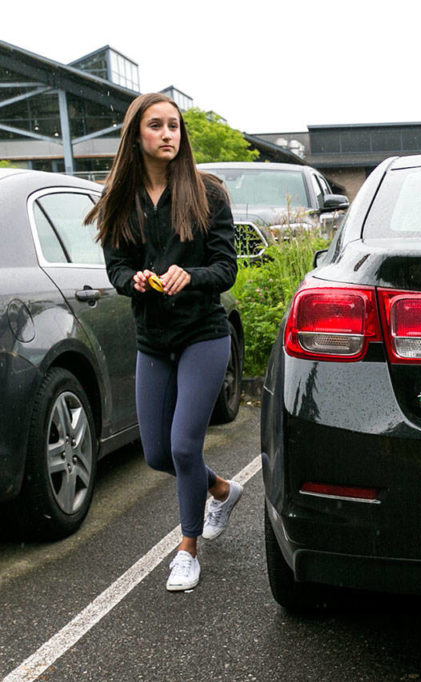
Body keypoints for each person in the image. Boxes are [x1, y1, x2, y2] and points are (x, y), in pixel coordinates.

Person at [89, 92, 243, 592]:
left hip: (203, 335)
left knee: (182, 446)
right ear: (137, 135)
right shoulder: (120, 195)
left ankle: (187, 548)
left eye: (174, 126)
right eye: (156, 125)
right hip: (153, 341)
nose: (168, 134)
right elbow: (114, 267)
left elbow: (225, 269)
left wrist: (189, 275)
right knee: (157, 455)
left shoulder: (208, 194)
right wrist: (131, 279)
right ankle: (220, 488)